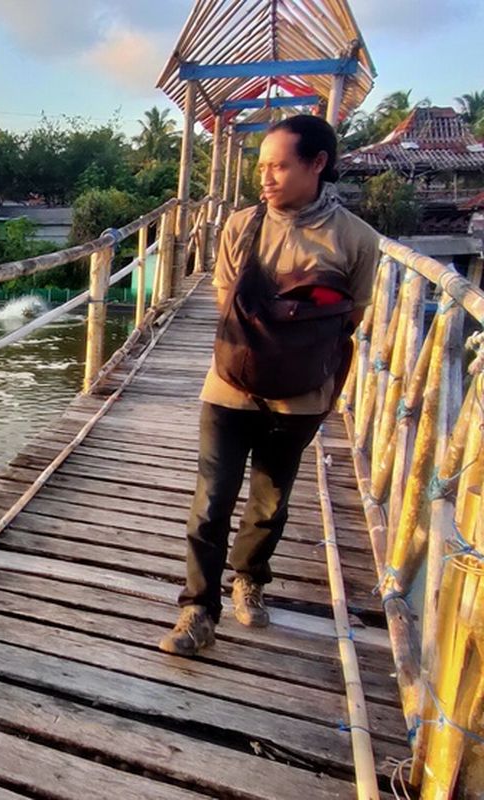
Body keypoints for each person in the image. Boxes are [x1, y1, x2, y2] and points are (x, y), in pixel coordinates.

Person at [159, 114, 378, 657]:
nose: (267, 177)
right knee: (212, 499)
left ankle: (250, 577)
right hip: (231, 384)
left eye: (280, 165)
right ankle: (198, 609)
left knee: (270, 499)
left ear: (317, 164)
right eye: (262, 166)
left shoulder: (357, 240)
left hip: (301, 395)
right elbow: (225, 301)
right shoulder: (240, 226)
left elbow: (353, 317)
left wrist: (295, 342)